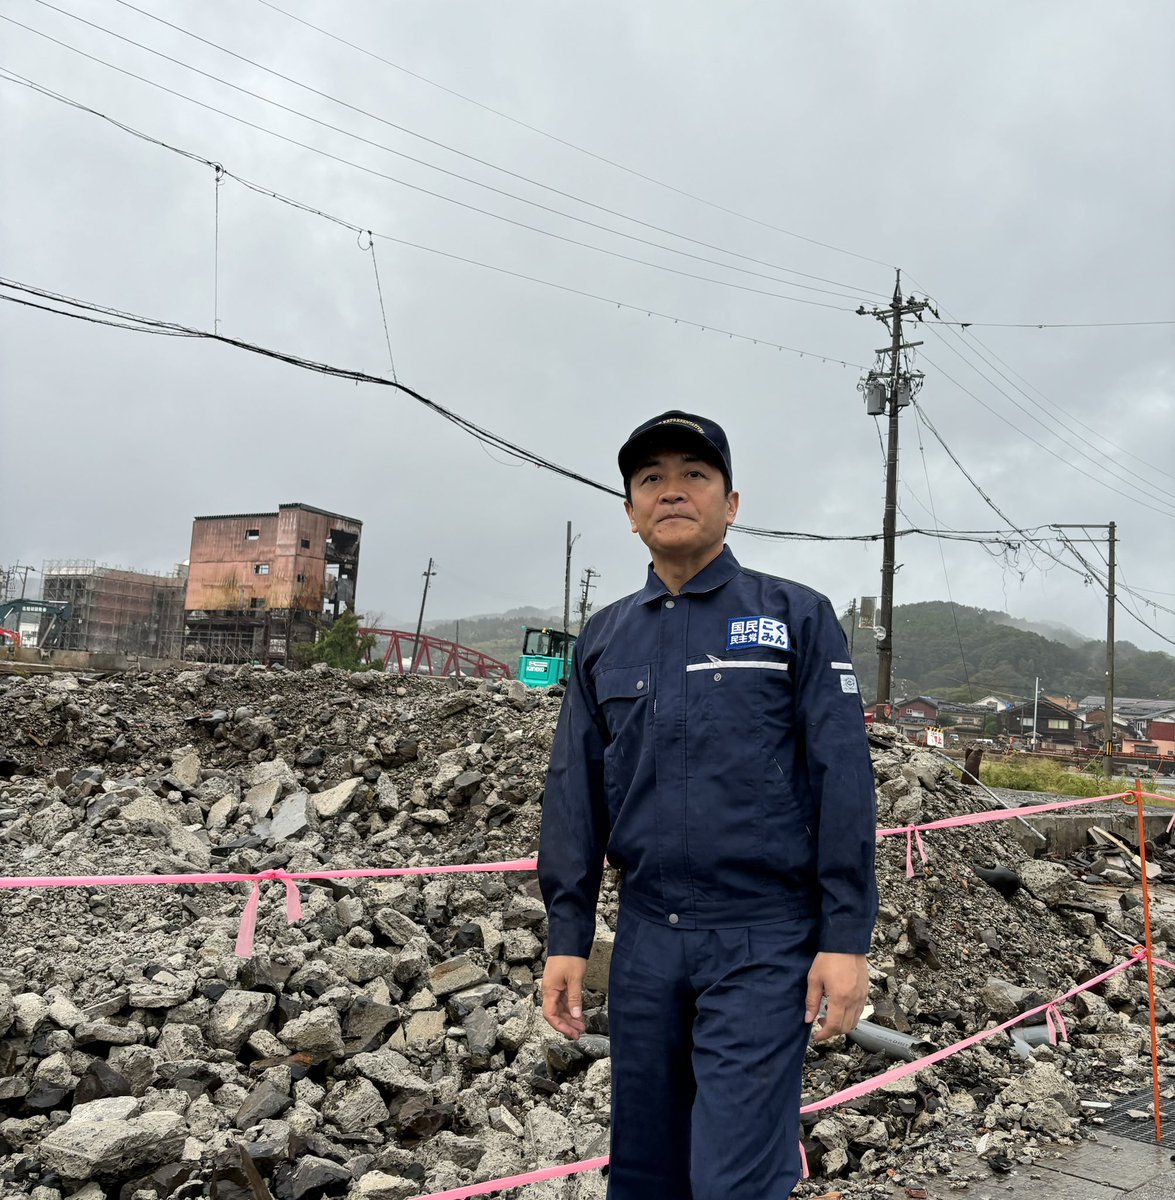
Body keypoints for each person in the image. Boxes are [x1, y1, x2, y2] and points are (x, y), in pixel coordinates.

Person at [538, 410, 878, 1198]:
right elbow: (574, 791)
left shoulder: (794, 617)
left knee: (734, 1177)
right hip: (648, 939)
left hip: (762, 939)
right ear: (629, 513)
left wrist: (845, 936)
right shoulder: (604, 637)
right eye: (649, 478)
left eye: (695, 474)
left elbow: (842, 780)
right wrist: (569, 932)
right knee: (645, 1170)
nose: (671, 491)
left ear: (730, 503)